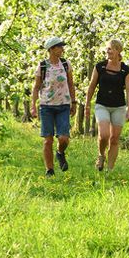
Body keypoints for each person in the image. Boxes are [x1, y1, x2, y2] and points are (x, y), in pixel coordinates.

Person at [85, 38, 129, 171]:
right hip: (102, 105)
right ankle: (101, 155)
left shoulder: (125, 70)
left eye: (110, 49)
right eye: (107, 48)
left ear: (118, 51)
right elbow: (91, 87)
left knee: (114, 139)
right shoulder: (99, 66)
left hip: (119, 107)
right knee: (104, 135)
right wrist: (87, 105)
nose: (107, 51)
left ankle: (110, 169)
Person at [31, 36, 77, 177]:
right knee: (48, 140)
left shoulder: (65, 64)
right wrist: (33, 105)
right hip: (47, 106)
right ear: (51, 49)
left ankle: (60, 152)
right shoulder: (43, 66)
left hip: (63, 105)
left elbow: (70, 84)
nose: (62, 49)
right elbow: (36, 87)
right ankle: (49, 170)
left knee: (63, 138)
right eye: (59, 47)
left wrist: (73, 102)